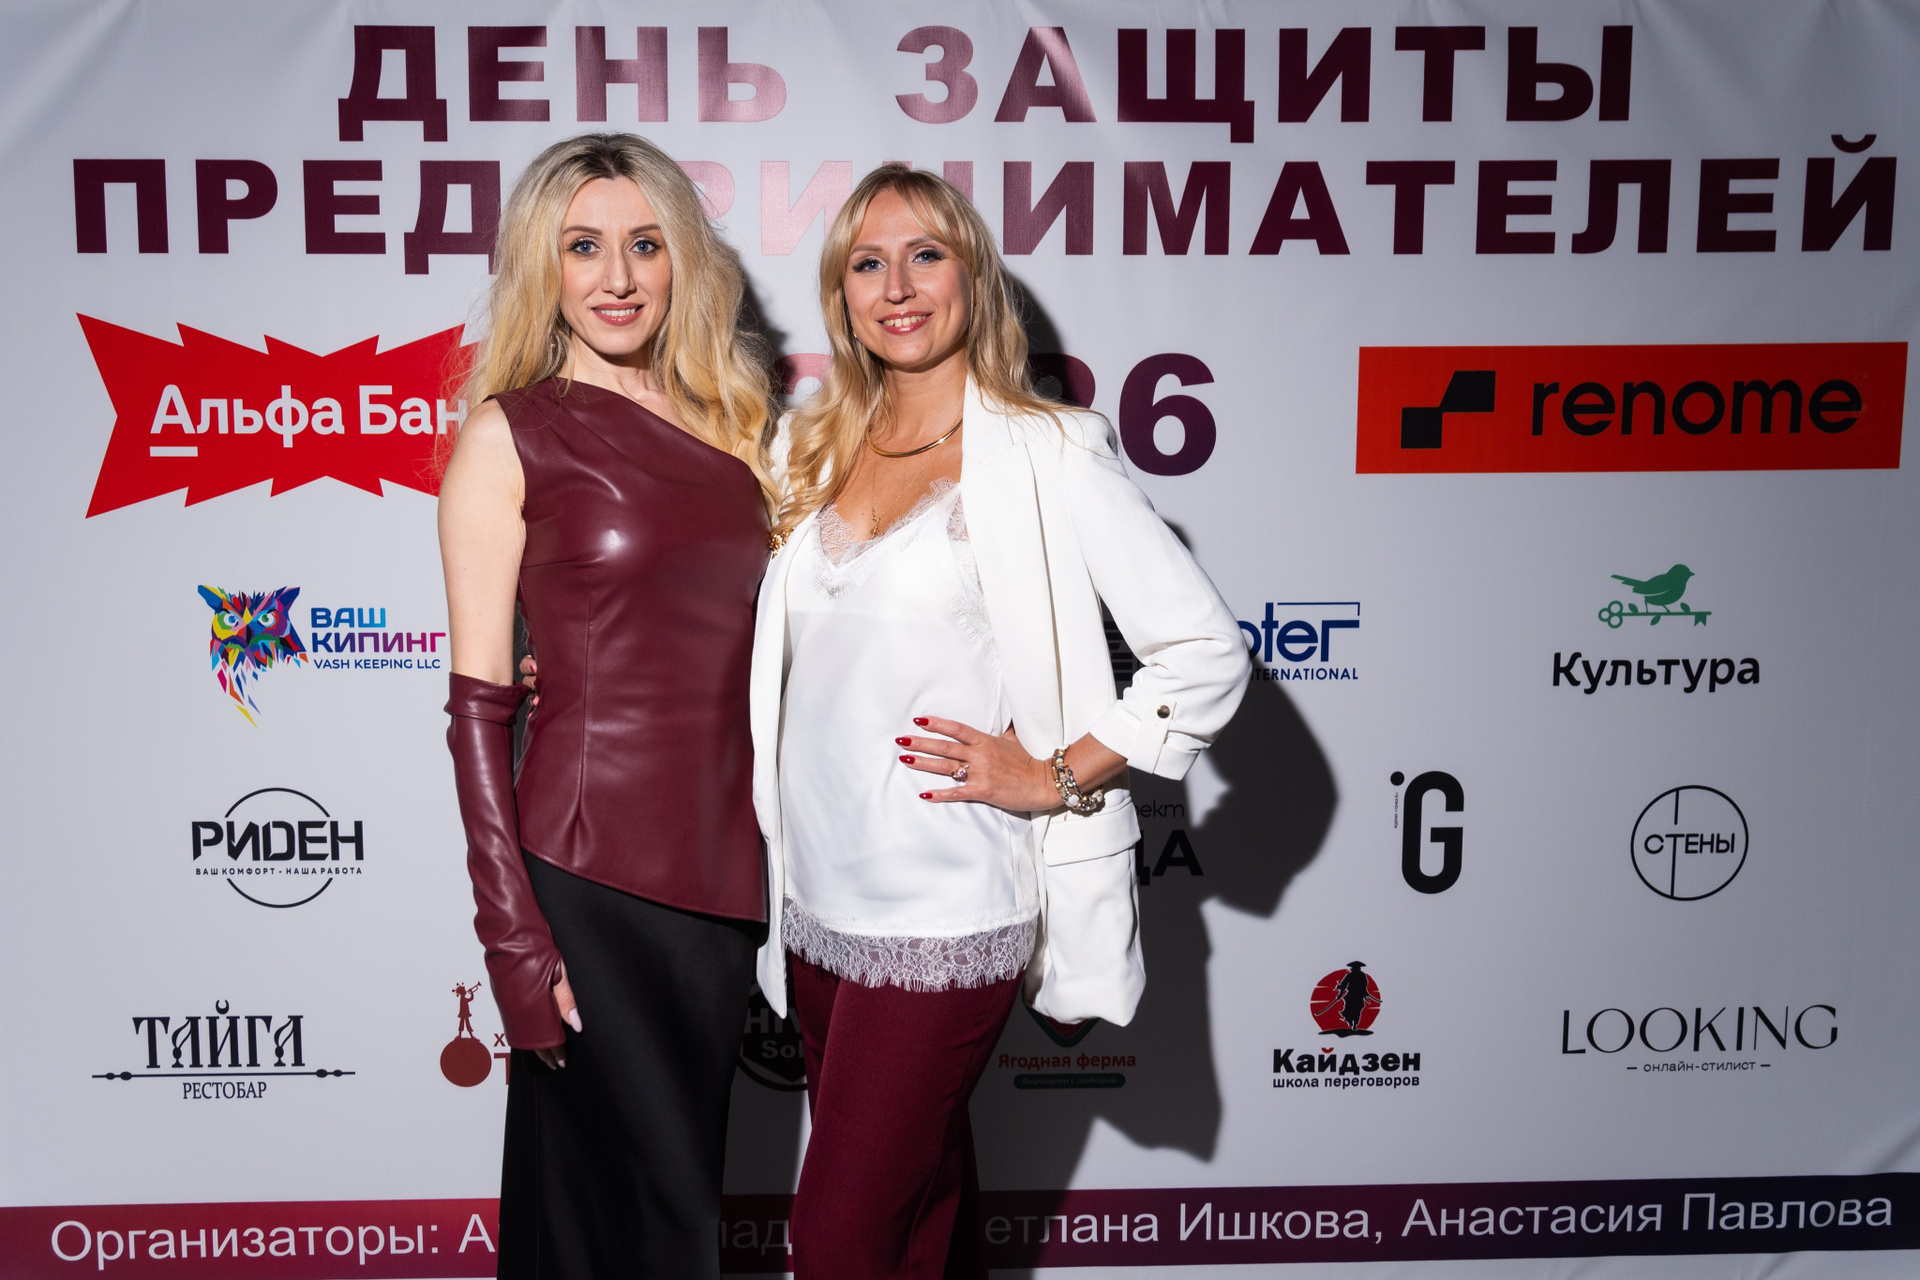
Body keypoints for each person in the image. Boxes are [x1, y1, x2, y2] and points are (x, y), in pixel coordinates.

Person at [751, 166, 1250, 1279]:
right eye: (868, 263)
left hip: (949, 902)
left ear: (973, 276)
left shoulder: (1049, 451)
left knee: (836, 1243)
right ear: (842, 294)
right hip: (814, 897)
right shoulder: (803, 450)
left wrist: (1059, 774)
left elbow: (1205, 651)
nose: (897, 287)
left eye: (925, 255)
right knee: (925, 1215)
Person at [437, 132, 775, 1279]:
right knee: (607, 1222)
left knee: (672, 1218)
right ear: (545, 264)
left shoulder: (739, 427)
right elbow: (478, 713)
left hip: (723, 884)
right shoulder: (510, 434)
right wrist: (513, 940)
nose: (617, 277)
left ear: (682, 259)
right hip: (583, 877)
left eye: (645, 244)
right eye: (583, 247)